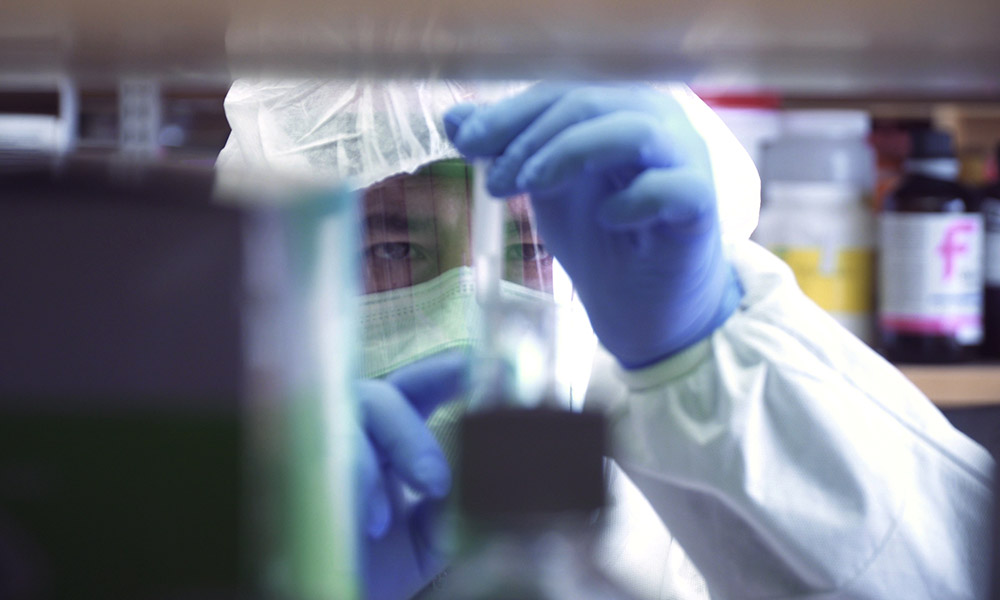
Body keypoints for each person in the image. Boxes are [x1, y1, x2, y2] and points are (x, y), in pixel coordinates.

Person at [218, 80, 995, 600]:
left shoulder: (722, 506)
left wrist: (700, 351)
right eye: (387, 249)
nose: (474, 308)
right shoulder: (204, 503)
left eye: (538, 248)